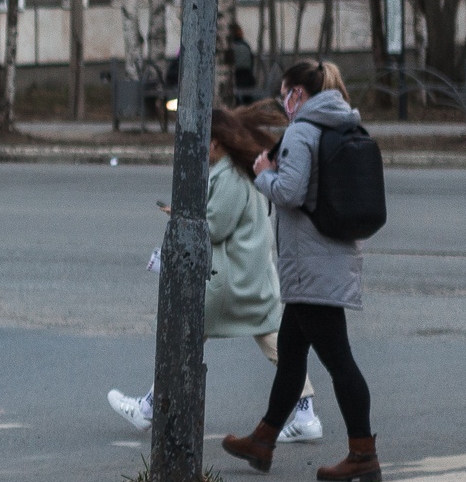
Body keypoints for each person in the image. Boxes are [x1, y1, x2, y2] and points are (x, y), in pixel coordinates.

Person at [106, 105, 314, 440]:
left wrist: (183, 218)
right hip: (250, 278)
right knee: (275, 341)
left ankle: (147, 408)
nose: (195, 151)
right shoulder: (235, 171)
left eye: (200, 143)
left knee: (184, 336)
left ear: (215, 144)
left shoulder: (229, 175)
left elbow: (214, 227)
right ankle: (305, 414)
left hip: (229, 281)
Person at [223, 60, 380, 482]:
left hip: (311, 268)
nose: (283, 102)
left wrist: (262, 175)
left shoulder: (302, 132)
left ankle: (363, 454)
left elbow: (289, 192)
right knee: (291, 357)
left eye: (285, 93)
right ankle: (264, 440)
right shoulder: (340, 125)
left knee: (339, 361)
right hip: (327, 259)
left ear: (298, 94)